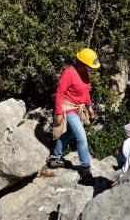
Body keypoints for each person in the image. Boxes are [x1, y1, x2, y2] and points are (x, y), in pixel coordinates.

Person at [47, 48, 100, 185]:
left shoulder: (85, 73)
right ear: (81, 63)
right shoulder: (69, 73)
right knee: (81, 137)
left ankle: (55, 156)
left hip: (78, 107)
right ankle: (85, 170)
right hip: (68, 108)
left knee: (69, 132)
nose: (92, 70)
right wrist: (58, 113)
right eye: (90, 67)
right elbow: (60, 93)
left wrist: (89, 107)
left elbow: (86, 92)